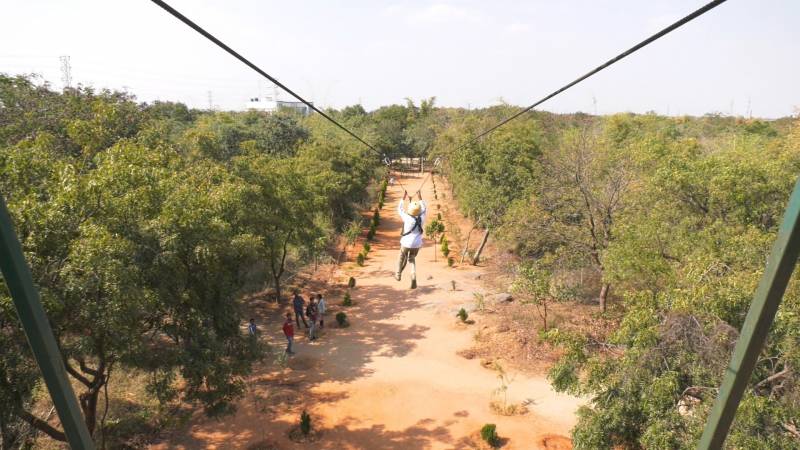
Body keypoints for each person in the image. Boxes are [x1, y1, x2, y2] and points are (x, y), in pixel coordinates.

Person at [396, 190, 426, 289]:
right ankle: (413, 275)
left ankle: (398, 274)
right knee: (411, 259)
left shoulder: (407, 218)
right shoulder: (422, 217)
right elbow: (424, 209)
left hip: (406, 243)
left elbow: (400, 209)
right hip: (417, 244)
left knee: (401, 257)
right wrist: (420, 197)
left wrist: (403, 197)